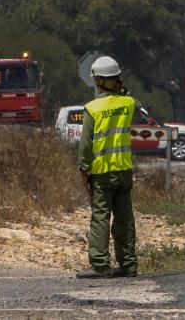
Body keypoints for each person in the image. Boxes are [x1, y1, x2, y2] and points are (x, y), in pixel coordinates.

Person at [76, 56, 139, 278]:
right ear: (117, 79)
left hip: (102, 173)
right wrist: (123, 90)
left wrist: (84, 170)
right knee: (124, 219)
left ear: (98, 80)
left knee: (101, 217)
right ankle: (128, 264)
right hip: (123, 171)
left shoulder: (93, 108)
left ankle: (100, 265)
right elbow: (136, 105)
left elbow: (85, 144)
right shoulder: (128, 104)